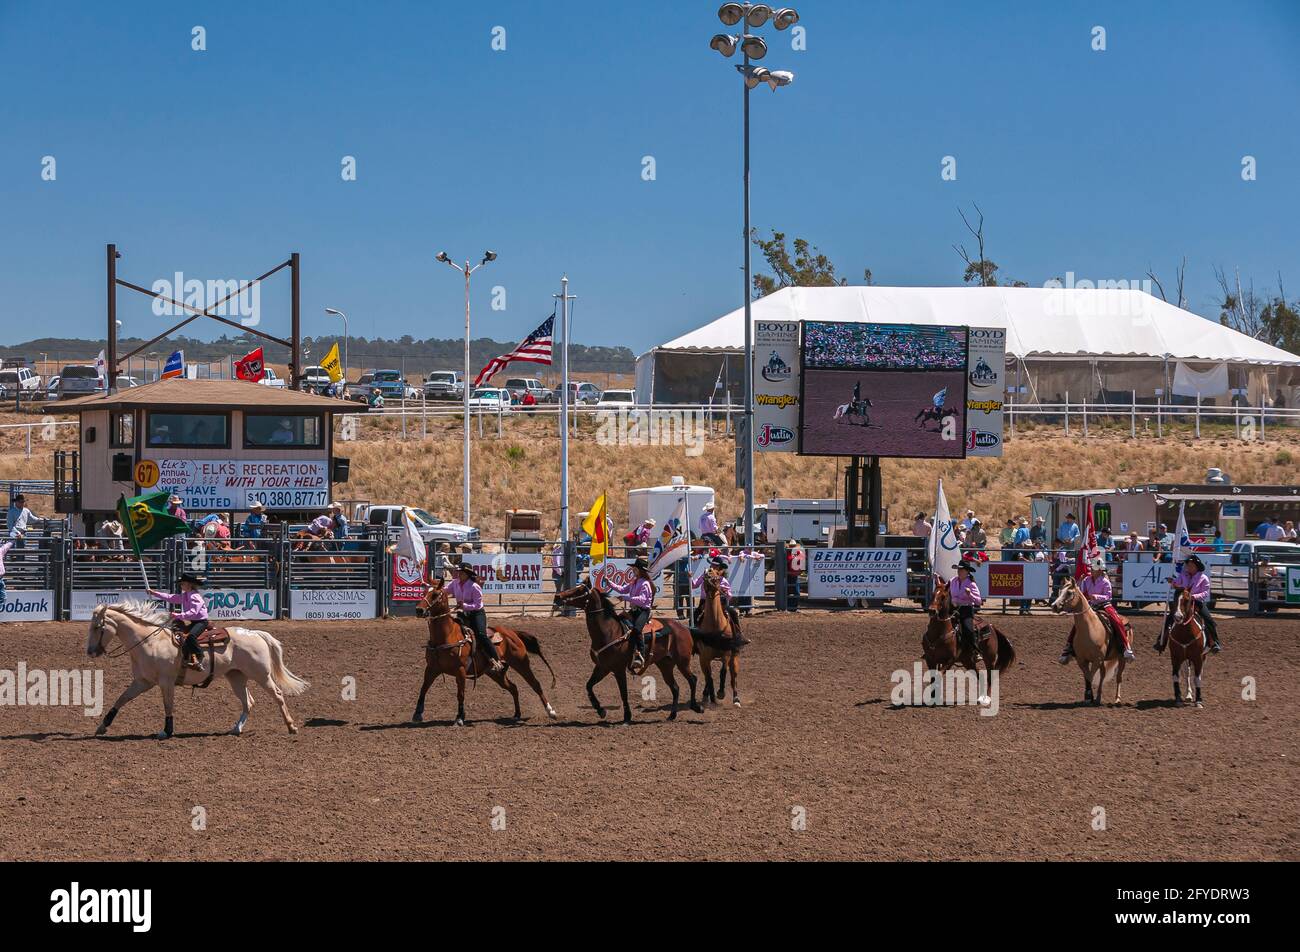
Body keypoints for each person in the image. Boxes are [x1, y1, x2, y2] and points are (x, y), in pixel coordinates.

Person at [1058, 558, 1134, 664]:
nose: (1091, 570)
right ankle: (1068, 648)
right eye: (1092, 568)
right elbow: (1079, 592)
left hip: (1105, 606)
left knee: (1116, 621)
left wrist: (1096, 597)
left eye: (1094, 568)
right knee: (1078, 624)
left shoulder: (1105, 581)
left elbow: (1108, 596)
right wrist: (1079, 581)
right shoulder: (1086, 580)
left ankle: (1126, 647)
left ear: (1099, 570)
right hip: (1091, 606)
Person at [1157, 553, 1220, 653]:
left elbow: (1205, 593)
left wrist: (1193, 596)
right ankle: (1161, 641)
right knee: (1169, 618)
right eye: (1188, 565)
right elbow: (1177, 583)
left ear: (1196, 566)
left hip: (1197, 603)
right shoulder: (1183, 575)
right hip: (1184, 602)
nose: (1189, 567)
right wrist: (1173, 582)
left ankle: (1214, 642)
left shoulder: (1203, 578)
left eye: (1191, 565)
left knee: (1208, 619)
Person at [447, 564, 503, 673]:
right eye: (459, 572)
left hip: (477, 613)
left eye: (462, 572)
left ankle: (496, 660)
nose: (459, 574)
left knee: (481, 634)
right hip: (463, 613)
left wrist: (465, 606)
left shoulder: (474, 586)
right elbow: (444, 590)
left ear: (467, 574)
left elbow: (478, 605)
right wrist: (430, 587)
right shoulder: (455, 583)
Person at [147, 572, 209, 671]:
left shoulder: (194, 596)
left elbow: (193, 612)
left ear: (189, 584)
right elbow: (172, 598)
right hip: (194, 621)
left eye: (182, 583)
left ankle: (199, 655)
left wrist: (178, 615)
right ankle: (185, 657)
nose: (181, 585)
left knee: (191, 637)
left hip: (201, 622)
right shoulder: (186, 595)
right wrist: (155, 593)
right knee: (180, 635)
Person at [608, 556, 655, 670]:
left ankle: (641, 655)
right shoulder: (635, 582)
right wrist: (609, 583)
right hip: (635, 610)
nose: (633, 570)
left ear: (640, 570)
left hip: (643, 611)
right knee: (619, 621)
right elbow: (622, 589)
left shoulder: (645, 584)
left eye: (635, 569)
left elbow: (643, 600)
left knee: (637, 629)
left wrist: (626, 598)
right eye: (633, 568)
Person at [692, 555, 744, 640]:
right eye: (712, 565)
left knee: (733, 613)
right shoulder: (704, 576)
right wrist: (690, 577)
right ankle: (694, 636)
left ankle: (739, 634)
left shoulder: (723, 581)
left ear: (719, 568)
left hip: (720, 602)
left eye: (715, 566)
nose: (712, 567)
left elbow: (729, 595)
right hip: (704, 601)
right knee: (695, 614)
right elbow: (694, 585)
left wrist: (724, 592)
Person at [948, 559, 983, 652]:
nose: (959, 572)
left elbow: (979, 601)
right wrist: (937, 579)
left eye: (961, 570)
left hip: (965, 610)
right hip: (952, 609)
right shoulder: (952, 581)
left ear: (967, 571)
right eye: (958, 570)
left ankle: (975, 650)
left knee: (968, 628)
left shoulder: (971, 584)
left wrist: (969, 595)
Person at [784, 538, 805, 611]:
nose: (792, 547)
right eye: (791, 546)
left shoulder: (795, 553)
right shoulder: (787, 553)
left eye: (793, 546)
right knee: (789, 592)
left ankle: (793, 607)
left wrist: (800, 571)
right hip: (789, 574)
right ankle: (790, 607)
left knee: (795, 592)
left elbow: (802, 563)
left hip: (793, 574)